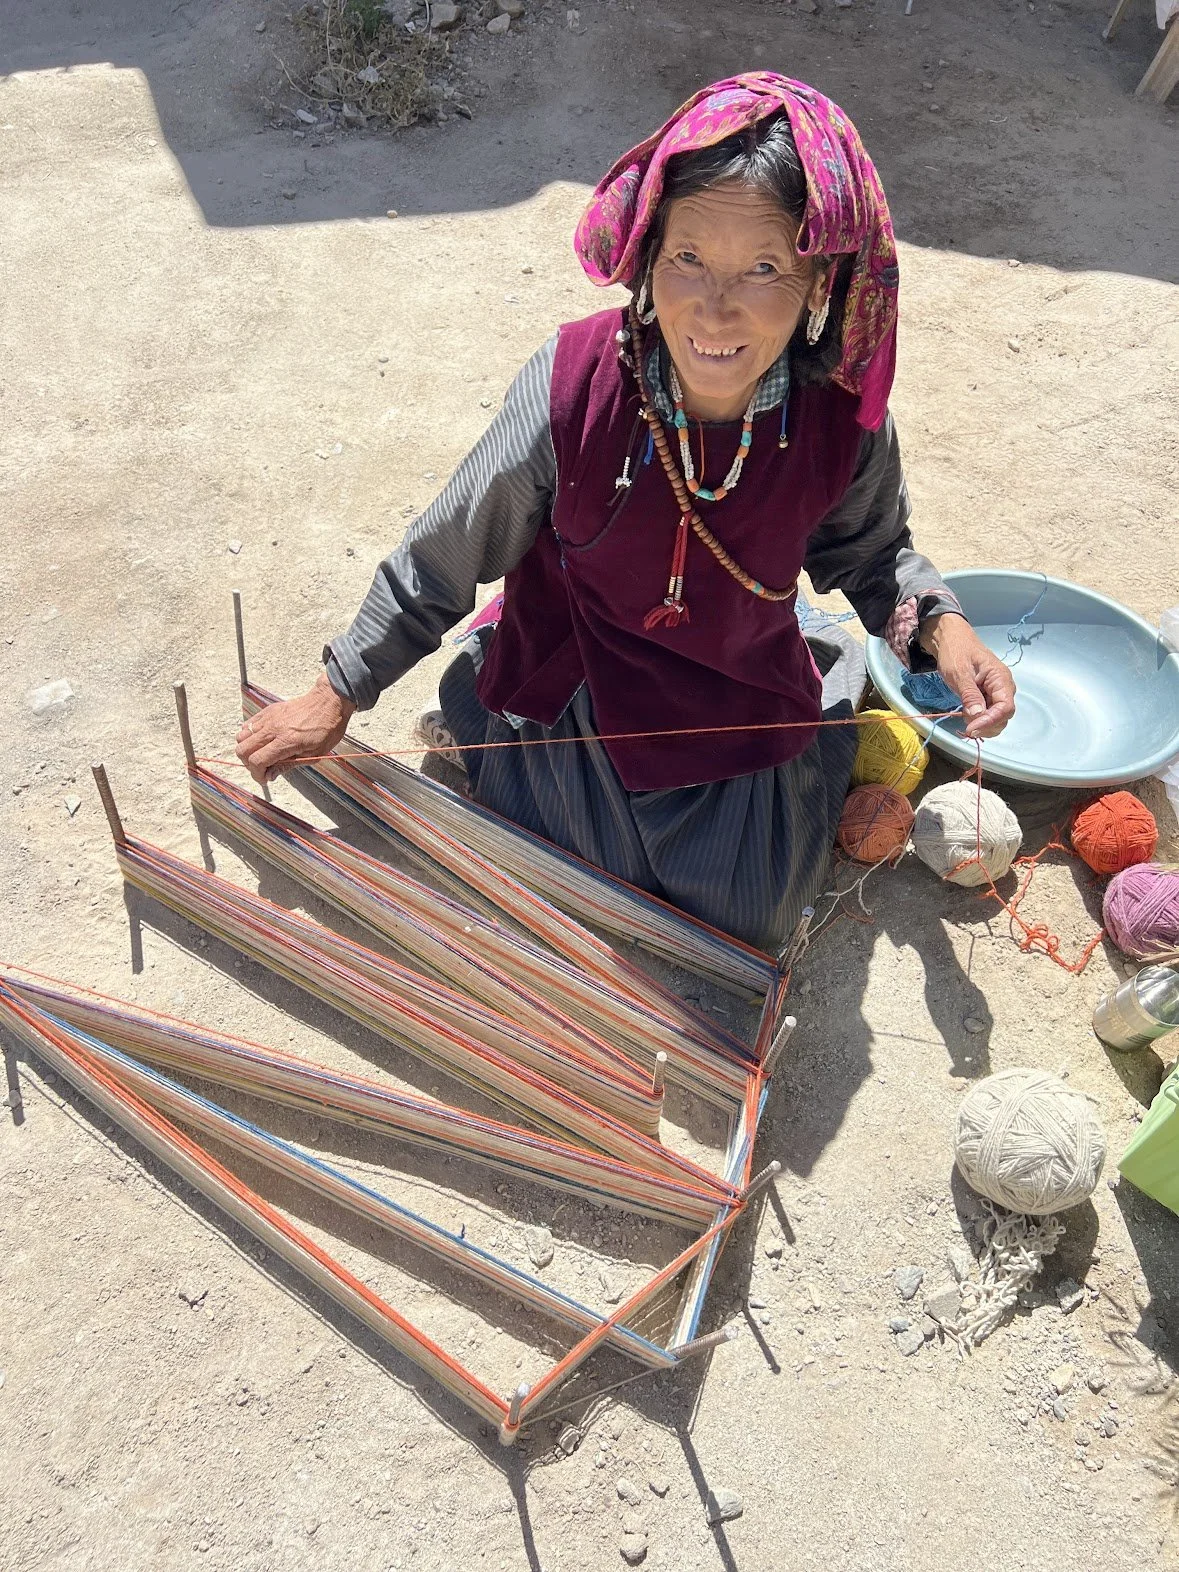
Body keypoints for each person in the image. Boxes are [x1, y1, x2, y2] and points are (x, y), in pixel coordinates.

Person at [237, 73, 1016, 951]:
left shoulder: (837, 420)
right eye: (687, 257)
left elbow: (873, 560)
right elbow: (446, 550)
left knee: (741, 916)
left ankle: (796, 684)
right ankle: (488, 680)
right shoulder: (574, 386)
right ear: (647, 256)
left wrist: (944, 632)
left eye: (763, 268)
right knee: (560, 874)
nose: (713, 308)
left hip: (729, 688)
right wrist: (339, 688)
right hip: (579, 672)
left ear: (817, 283)